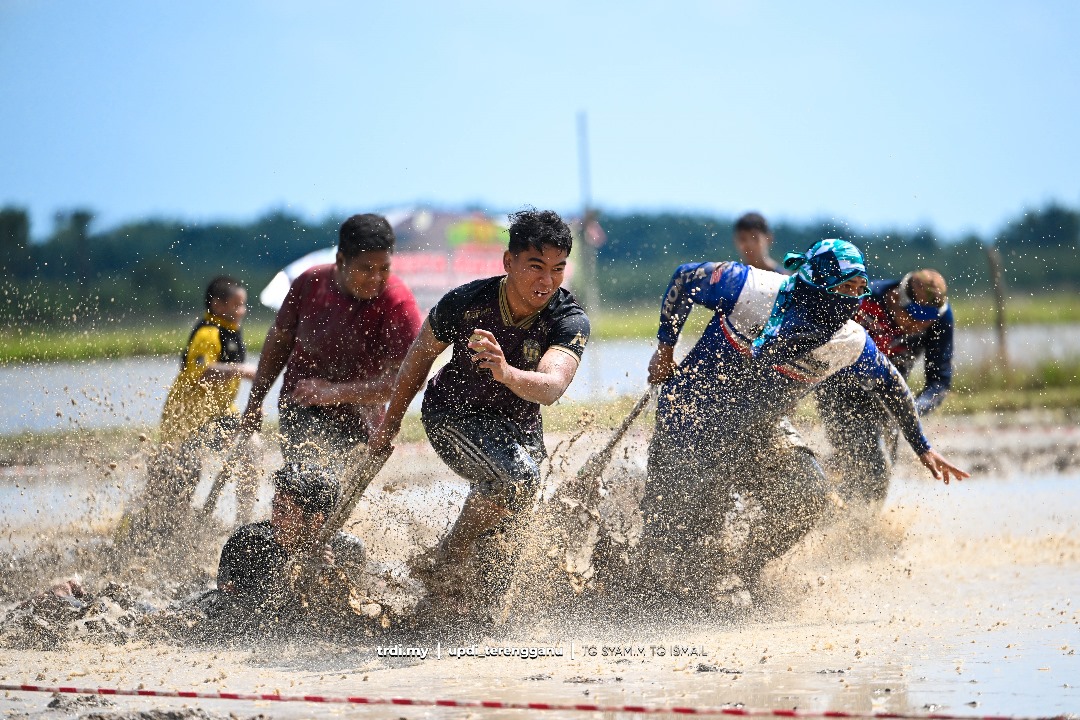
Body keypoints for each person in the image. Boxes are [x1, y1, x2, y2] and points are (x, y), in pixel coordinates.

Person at [642, 240, 967, 599]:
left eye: (859, 290)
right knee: (674, 539)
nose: (853, 300)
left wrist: (923, 447)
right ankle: (653, 585)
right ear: (816, 281)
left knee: (809, 495)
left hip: (762, 429)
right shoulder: (752, 288)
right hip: (692, 419)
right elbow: (686, 277)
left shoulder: (850, 340)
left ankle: (745, 569)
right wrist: (665, 349)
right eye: (845, 288)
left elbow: (894, 387)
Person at [368, 208, 590, 615]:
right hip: (453, 416)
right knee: (520, 478)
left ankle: (484, 609)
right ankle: (449, 560)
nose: (547, 281)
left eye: (558, 269)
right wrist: (390, 424)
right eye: (536, 267)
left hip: (517, 428)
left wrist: (505, 372)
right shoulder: (466, 302)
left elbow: (553, 387)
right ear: (509, 262)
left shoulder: (569, 319)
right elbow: (418, 359)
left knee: (517, 511)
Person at [239, 214, 423, 471]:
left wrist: (332, 392)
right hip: (302, 402)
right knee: (306, 480)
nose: (375, 278)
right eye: (366, 269)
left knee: (334, 502)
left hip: (361, 417)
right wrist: (254, 402)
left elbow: (410, 381)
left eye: (384, 269)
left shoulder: (398, 303)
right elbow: (279, 341)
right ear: (340, 260)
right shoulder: (309, 284)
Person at [815, 269, 954, 505]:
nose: (918, 325)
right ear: (897, 298)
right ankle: (835, 511)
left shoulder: (941, 319)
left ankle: (855, 525)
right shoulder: (863, 300)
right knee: (873, 463)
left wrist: (911, 410)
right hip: (838, 390)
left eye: (926, 320)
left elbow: (939, 383)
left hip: (891, 398)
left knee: (882, 475)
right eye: (913, 316)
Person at [144, 275, 259, 527]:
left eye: (243, 304)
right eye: (238, 305)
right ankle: (161, 524)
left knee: (251, 446)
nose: (243, 310)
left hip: (220, 414)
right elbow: (203, 373)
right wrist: (243, 370)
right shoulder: (208, 333)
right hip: (187, 420)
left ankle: (244, 522)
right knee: (181, 479)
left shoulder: (232, 332)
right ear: (218, 305)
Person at [210, 463, 368, 630]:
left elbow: (345, 619)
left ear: (316, 520)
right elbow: (234, 611)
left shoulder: (348, 549)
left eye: (284, 512)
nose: (274, 520)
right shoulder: (248, 544)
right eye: (275, 507)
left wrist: (329, 577)